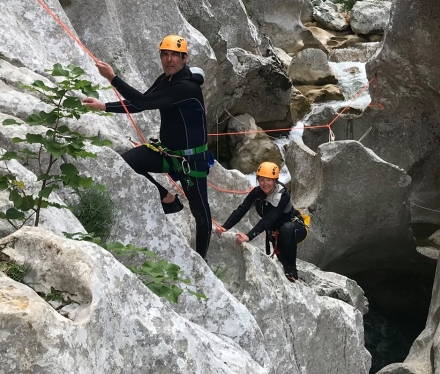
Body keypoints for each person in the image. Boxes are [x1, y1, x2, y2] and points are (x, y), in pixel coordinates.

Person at [82, 35, 213, 260]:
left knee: (201, 214)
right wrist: (104, 106)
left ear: (184, 59)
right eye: (165, 54)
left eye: (174, 55)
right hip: (169, 154)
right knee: (127, 163)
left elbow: (143, 102)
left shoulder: (186, 88)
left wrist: (113, 78)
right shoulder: (166, 80)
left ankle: (201, 260)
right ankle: (167, 199)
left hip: (191, 162)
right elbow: (139, 103)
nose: (169, 59)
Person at [215, 161, 307, 282]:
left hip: (296, 228)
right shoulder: (256, 193)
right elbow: (242, 210)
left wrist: (249, 236)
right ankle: (289, 274)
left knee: (286, 230)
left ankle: (293, 270)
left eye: (269, 180)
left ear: (275, 180)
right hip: (277, 233)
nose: (265, 184)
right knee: (283, 261)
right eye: (262, 180)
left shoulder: (283, 195)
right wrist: (225, 227)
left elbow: (270, 218)